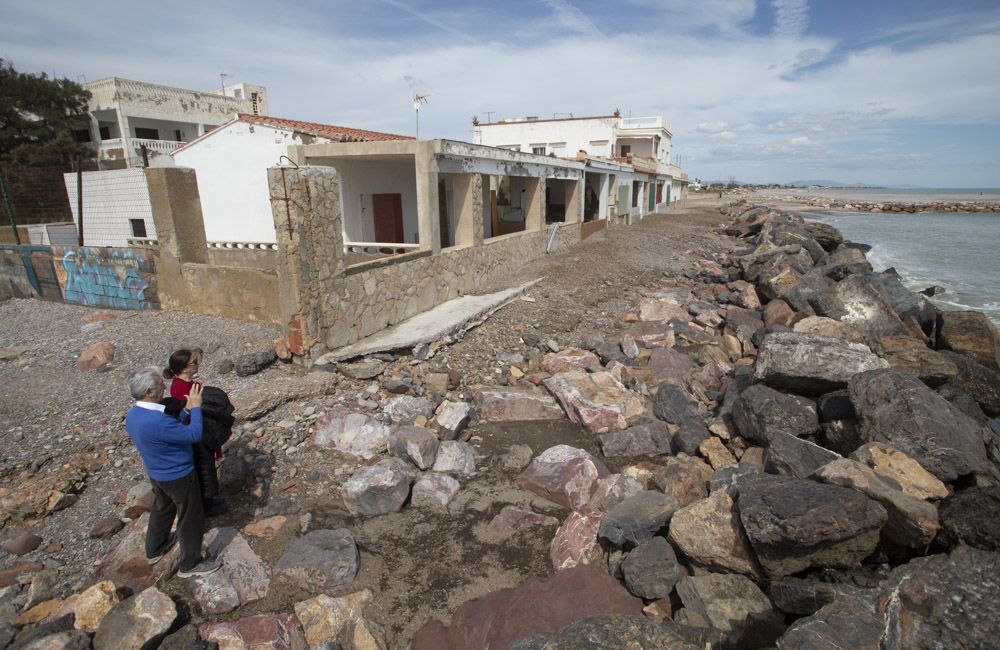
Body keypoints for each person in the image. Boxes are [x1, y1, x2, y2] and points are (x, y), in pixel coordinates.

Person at [125, 366, 220, 578]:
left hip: (157, 473)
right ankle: (190, 564)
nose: (164, 386)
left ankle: (154, 549)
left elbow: (168, 432)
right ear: (149, 391)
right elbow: (193, 434)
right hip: (179, 475)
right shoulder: (157, 421)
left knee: (162, 507)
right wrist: (195, 408)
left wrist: (184, 411)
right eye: (160, 385)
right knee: (190, 516)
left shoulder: (133, 416)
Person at [163, 348, 234, 517]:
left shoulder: (184, 384)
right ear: (185, 368)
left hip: (199, 430)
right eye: (193, 363)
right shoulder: (181, 388)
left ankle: (210, 499)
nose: (197, 365)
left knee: (206, 466)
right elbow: (187, 411)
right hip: (196, 434)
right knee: (204, 467)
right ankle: (207, 503)